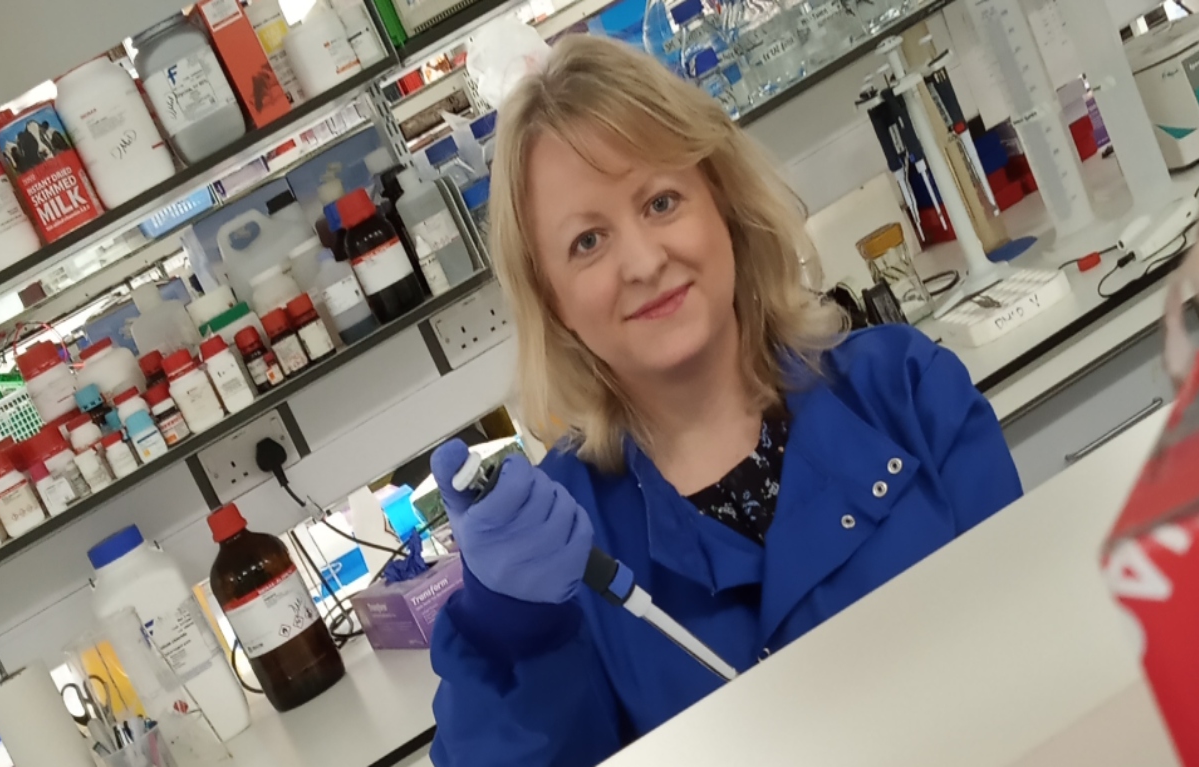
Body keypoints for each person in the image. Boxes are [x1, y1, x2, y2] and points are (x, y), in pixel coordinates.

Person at [425, 35, 1023, 766]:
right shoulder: (562, 550)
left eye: (661, 201)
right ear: (553, 302)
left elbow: (1044, 636)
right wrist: (505, 624)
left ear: (723, 204)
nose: (643, 262)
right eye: (587, 242)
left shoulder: (903, 392)